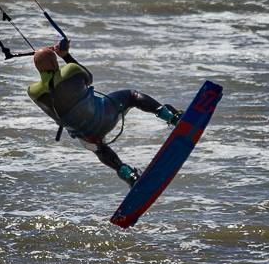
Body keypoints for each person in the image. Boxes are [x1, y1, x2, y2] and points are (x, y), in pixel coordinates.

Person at [28, 41, 182, 187]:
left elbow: (47, 76)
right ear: (55, 63)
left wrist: (44, 58)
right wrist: (65, 55)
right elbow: (89, 78)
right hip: (104, 115)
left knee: (97, 147)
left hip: (87, 135)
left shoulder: (33, 92)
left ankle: (128, 174)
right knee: (132, 96)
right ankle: (171, 117)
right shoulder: (70, 70)